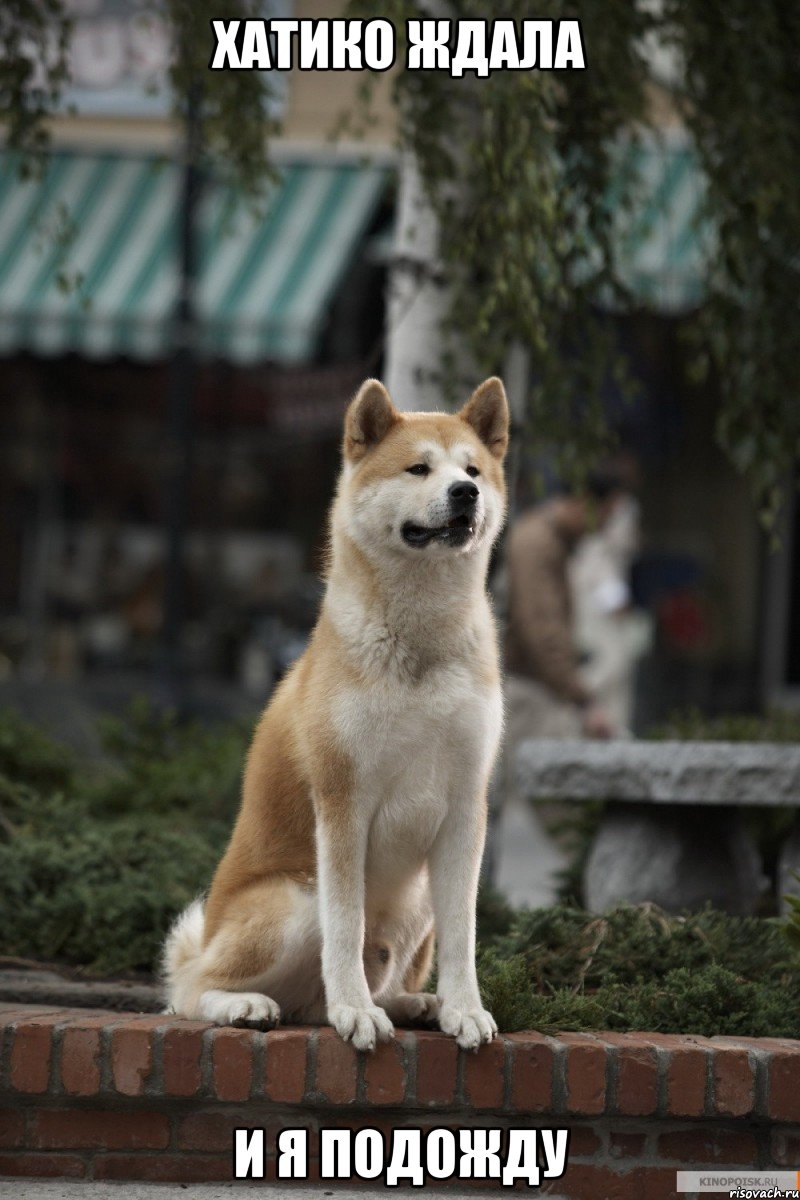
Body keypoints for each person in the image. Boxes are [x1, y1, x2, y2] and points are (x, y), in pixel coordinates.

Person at [504, 470, 627, 743]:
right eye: (606, 515)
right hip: (527, 691)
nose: (605, 527)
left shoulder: (551, 541)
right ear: (586, 502)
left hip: (537, 687)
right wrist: (583, 701)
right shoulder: (538, 544)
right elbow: (542, 630)